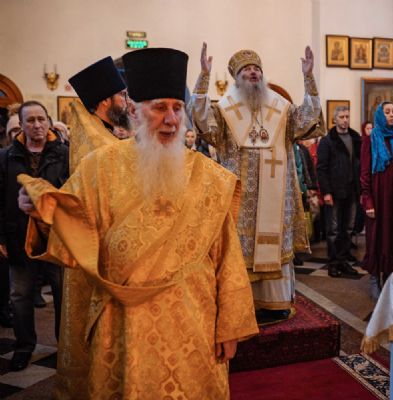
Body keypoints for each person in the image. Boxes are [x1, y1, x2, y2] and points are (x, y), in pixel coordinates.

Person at [17, 47, 258, 399]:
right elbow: (72, 230)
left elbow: (227, 256)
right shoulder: (99, 166)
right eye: (159, 108)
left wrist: (230, 325)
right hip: (121, 321)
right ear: (134, 111)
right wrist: (40, 212)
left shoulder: (209, 176)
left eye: (177, 108)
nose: (171, 119)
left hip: (193, 320)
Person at [190, 43, 323, 324]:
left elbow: (308, 120)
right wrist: (203, 76)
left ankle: (275, 303)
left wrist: (308, 77)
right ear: (236, 77)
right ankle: (241, 303)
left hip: (276, 198)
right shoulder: (225, 110)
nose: (253, 72)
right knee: (239, 249)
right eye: (246, 69)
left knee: (274, 246)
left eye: (256, 69)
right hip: (241, 200)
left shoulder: (281, 108)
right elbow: (201, 121)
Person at [51, 56, 130, 398]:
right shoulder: (100, 147)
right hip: (99, 255)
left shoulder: (101, 136)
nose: (127, 101)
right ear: (105, 101)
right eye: (122, 95)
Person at [0, 101, 68, 371]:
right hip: (18, 236)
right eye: (30, 120)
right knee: (20, 296)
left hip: (56, 237)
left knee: (63, 295)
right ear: (21, 125)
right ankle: (24, 346)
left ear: (49, 121)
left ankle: (65, 348)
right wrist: (1, 238)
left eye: (41, 119)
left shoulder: (65, 154)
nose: (37, 125)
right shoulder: (6, 157)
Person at [360, 102, 393, 299]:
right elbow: (365, 174)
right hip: (378, 198)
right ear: (380, 115)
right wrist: (368, 201)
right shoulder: (370, 140)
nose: (391, 115)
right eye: (387, 112)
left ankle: (389, 279)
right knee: (377, 238)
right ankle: (374, 279)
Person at [317, 106, 361, 278]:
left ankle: (343, 261)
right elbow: (321, 168)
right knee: (333, 229)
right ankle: (333, 263)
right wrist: (326, 192)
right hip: (334, 191)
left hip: (352, 190)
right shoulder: (327, 141)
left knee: (348, 228)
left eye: (347, 116)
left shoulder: (355, 138)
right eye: (341, 117)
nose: (345, 120)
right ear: (334, 119)